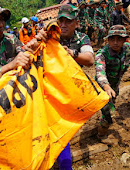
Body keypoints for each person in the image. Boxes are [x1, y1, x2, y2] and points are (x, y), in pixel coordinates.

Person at [25, 4, 95, 169]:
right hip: (47, 89)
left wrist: (72, 54)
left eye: (68, 21)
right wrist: (37, 39)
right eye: (61, 21)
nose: (63, 25)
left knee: (63, 129)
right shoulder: (51, 36)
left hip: (70, 91)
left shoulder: (81, 38)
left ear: (76, 23)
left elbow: (90, 59)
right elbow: (27, 51)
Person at [94, 25, 130, 136]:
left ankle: (104, 123)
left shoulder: (128, 48)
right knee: (109, 113)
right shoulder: (102, 54)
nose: (115, 42)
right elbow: (100, 73)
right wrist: (106, 87)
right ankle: (101, 135)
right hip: (101, 88)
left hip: (115, 86)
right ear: (108, 40)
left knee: (112, 104)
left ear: (124, 40)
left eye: (119, 39)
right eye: (112, 39)